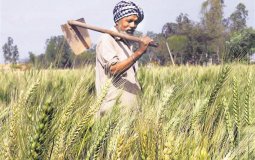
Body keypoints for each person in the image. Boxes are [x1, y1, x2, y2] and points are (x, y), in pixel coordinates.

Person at [96, 0, 153, 116]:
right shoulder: (107, 40)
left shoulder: (128, 43)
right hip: (112, 114)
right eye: (129, 21)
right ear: (118, 20)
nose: (133, 25)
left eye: (135, 22)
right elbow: (114, 69)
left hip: (130, 115)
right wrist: (140, 51)